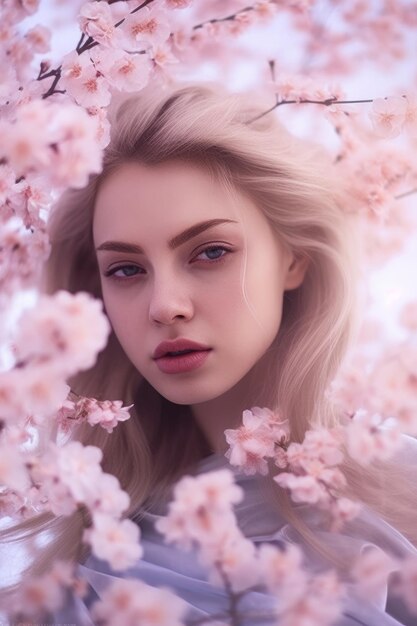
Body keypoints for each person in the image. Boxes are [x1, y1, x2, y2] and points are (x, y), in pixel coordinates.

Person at [2, 83, 417, 625]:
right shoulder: (83, 571)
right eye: (126, 269)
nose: (164, 306)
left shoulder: (402, 495)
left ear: (294, 258)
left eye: (210, 252)